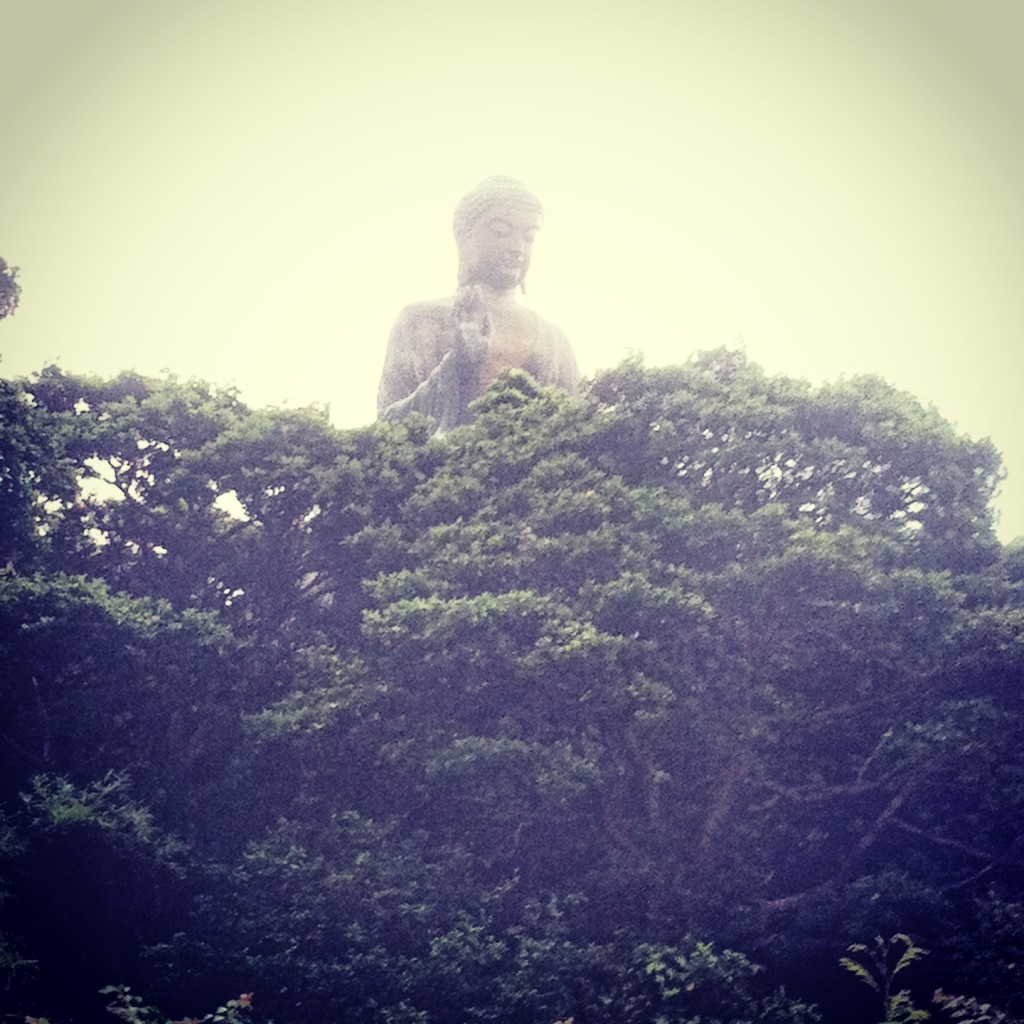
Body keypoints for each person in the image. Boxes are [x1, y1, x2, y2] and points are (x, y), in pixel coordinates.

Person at [377, 176, 579, 432]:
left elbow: (576, 435)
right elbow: (388, 431)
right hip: (442, 470)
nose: (517, 247)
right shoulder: (420, 320)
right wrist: (459, 364)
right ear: (463, 235)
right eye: (501, 232)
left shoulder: (554, 340)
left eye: (529, 237)